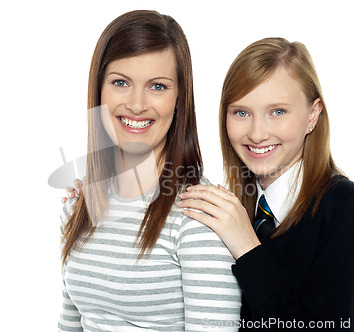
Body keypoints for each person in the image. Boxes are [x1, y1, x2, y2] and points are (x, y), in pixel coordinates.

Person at [177, 37, 354, 330]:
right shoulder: (243, 211)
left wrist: (248, 249)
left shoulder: (346, 209)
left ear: (312, 115)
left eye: (277, 112)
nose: (257, 133)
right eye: (241, 112)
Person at [58, 10, 241, 332]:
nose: (137, 104)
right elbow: (70, 324)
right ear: (98, 90)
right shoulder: (77, 205)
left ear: (179, 98)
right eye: (120, 83)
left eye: (157, 86)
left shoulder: (198, 216)